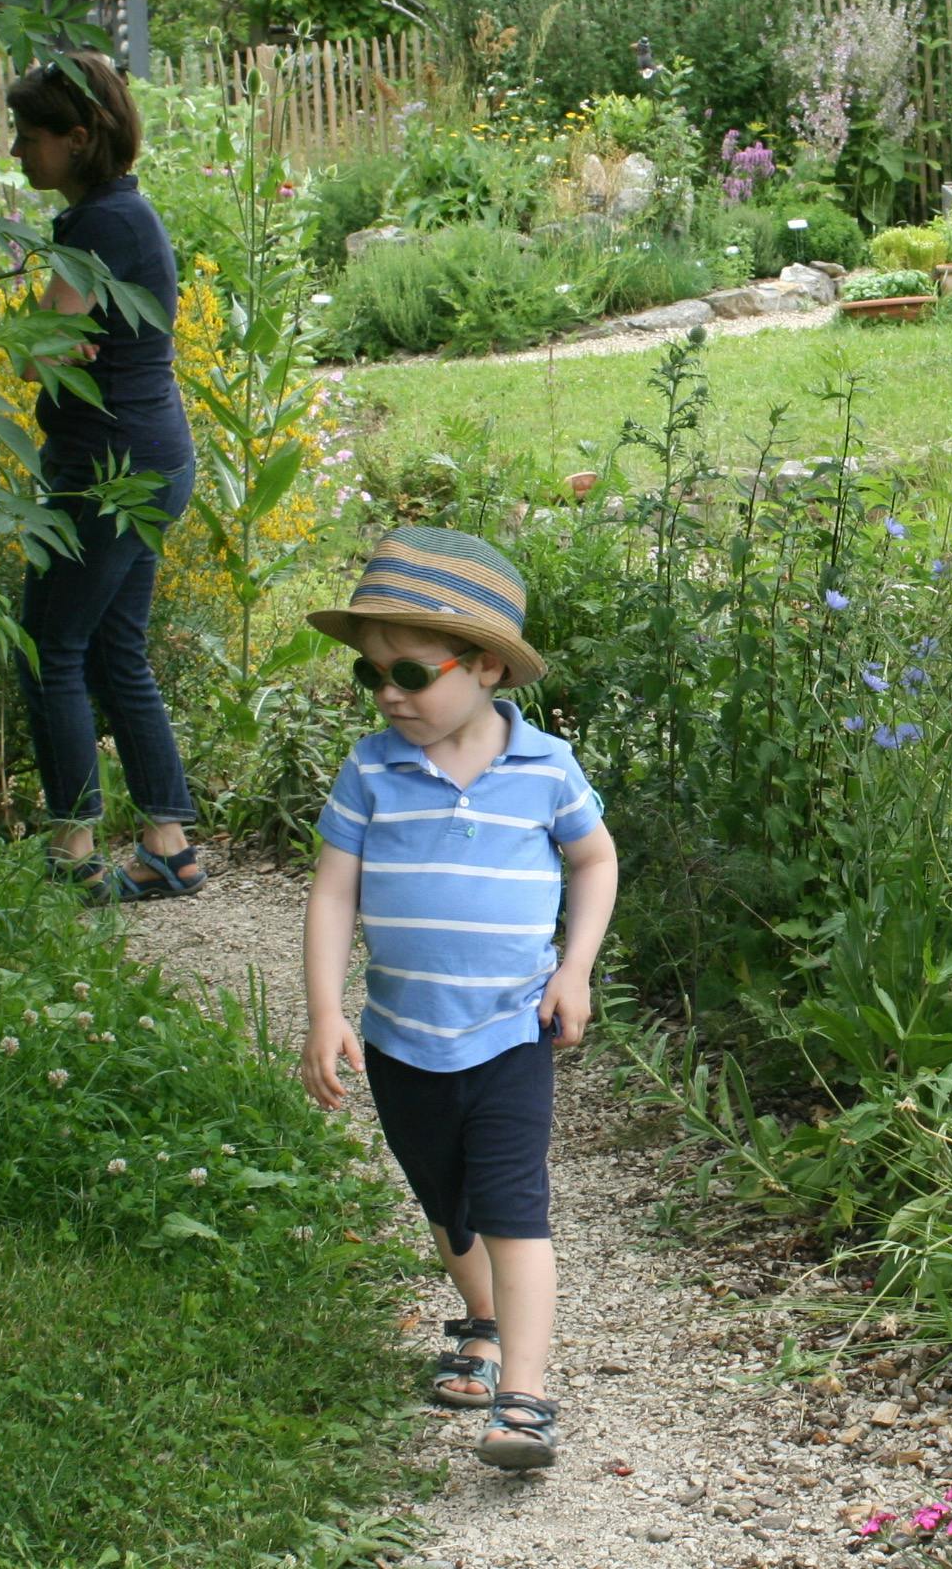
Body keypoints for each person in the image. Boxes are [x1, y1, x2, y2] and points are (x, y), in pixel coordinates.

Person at [297, 525, 620, 1474]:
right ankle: (478, 1325)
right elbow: (331, 892)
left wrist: (575, 968)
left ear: (484, 666)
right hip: (402, 1039)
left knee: (515, 1205)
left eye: (409, 671)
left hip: (509, 1030)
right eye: (372, 677)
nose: (389, 693)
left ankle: (524, 1399)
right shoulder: (370, 771)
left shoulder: (545, 769)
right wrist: (324, 1012)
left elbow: (594, 860)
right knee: (447, 1199)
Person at [7, 50, 206, 904]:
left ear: (78, 138)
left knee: (48, 645)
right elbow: (55, 349)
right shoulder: (126, 214)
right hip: (153, 458)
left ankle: (73, 846)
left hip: (109, 470)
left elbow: (35, 358)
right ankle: (169, 843)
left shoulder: (94, 229)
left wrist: (41, 343)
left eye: (30, 134)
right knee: (116, 649)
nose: (18, 151)